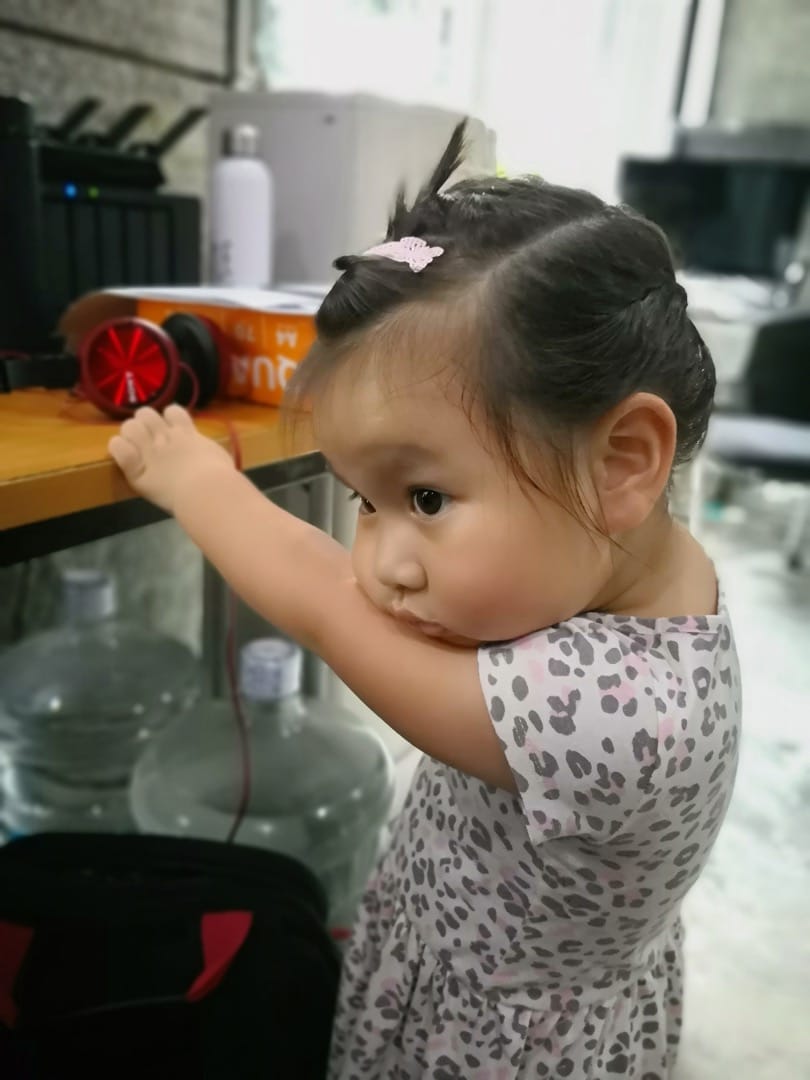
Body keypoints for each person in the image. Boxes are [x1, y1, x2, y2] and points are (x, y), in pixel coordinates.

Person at [109, 122, 741, 1079]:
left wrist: (194, 479)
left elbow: (321, 599)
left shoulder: (614, 720)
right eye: (365, 501)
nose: (379, 566)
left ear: (623, 462)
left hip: (496, 1042)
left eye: (427, 499)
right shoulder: (655, 573)